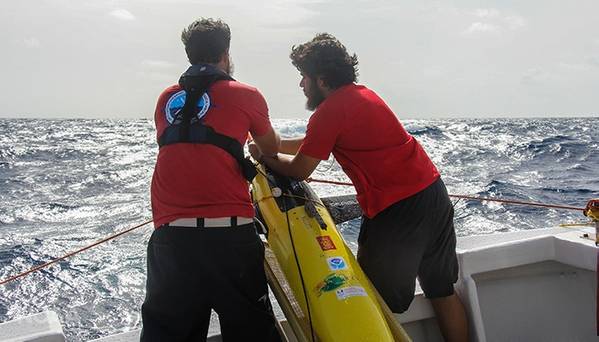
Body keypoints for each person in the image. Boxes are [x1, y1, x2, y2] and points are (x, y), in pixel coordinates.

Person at [250, 33, 468, 342]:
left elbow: (301, 167)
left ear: (322, 79)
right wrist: (270, 145)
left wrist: (265, 157)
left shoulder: (331, 110)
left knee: (367, 296)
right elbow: (313, 142)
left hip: (399, 210)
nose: (301, 85)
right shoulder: (363, 96)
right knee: (441, 290)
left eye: (304, 77)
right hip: (433, 194)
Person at [141, 18, 281, 342]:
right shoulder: (246, 95)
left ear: (189, 54)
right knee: (252, 334)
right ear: (226, 52)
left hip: (171, 238)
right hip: (230, 238)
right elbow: (270, 148)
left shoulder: (165, 99)